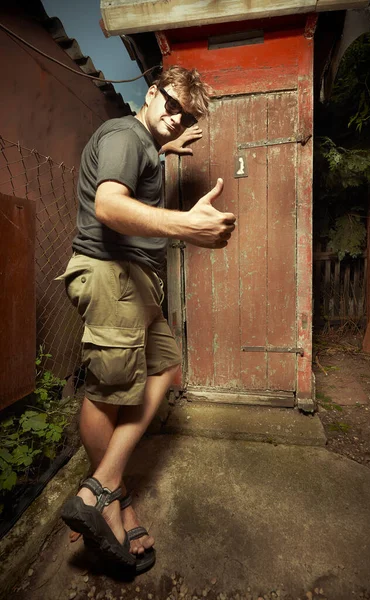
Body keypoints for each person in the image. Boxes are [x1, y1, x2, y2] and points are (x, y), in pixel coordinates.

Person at [58, 65, 236, 572]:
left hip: (134, 279)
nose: (177, 119)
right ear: (152, 93)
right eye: (172, 106)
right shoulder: (124, 135)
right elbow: (111, 205)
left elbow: (141, 157)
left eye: (187, 117)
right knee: (108, 395)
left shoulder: (144, 142)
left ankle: (101, 486)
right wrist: (186, 226)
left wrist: (165, 150)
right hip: (111, 273)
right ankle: (113, 501)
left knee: (165, 368)